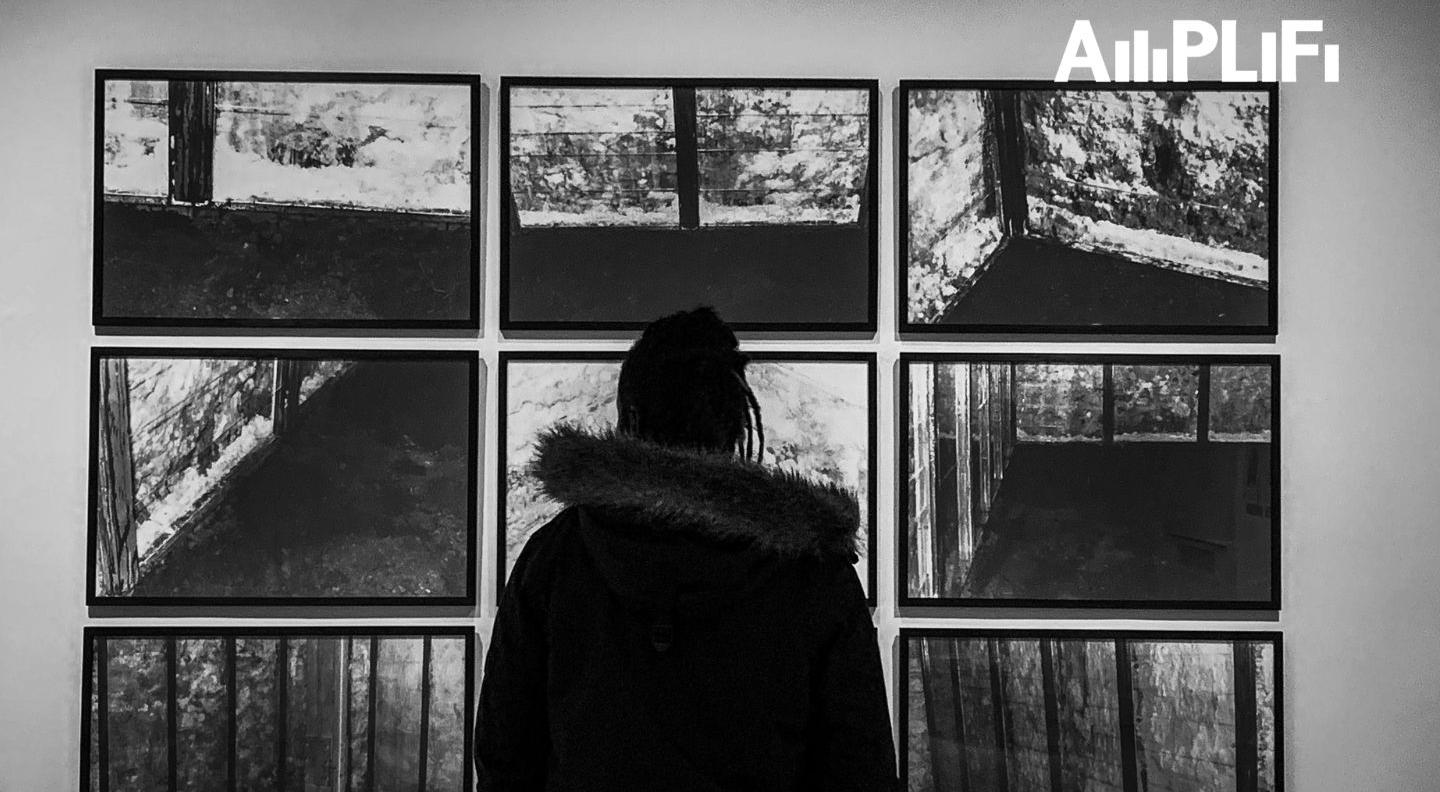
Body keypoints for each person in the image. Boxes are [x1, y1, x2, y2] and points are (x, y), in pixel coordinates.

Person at [474, 306, 897, 791]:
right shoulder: (814, 574)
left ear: (630, 419)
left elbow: (504, 756)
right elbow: (861, 769)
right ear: (736, 426)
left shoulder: (553, 560)